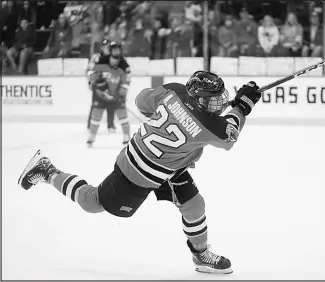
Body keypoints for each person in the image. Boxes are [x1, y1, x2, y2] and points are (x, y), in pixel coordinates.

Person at [17, 71, 262, 274]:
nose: (219, 104)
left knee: (194, 205)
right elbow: (230, 133)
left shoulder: (175, 90)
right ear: (197, 98)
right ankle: (47, 170)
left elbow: (142, 101)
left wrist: (174, 115)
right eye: (213, 100)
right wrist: (242, 104)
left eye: (220, 98)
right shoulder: (209, 125)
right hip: (137, 171)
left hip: (167, 166)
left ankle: (201, 255)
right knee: (92, 202)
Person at [86, 41, 131, 146]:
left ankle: (126, 136)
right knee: (96, 114)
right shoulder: (102, 60)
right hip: (101, 94)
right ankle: (92, 136)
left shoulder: (124, 64)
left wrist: (122, 90)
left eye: (118, 49)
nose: (116, 51)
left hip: (116, 95)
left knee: (122, 115)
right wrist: (94, 81)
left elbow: (127, 80)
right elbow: (92, 73)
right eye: (114, 49)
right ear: (110, 51)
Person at [85, 39, 116, 132]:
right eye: (105, 46)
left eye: (108, 47)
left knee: (111, 104)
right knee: (95, 105)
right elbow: (89, 70)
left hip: (109, 85)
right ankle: (91, 125)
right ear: (102, 47)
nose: (107, 48)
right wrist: (92, 81)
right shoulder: (96, 57)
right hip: (98, 85)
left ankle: (110, 125)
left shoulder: (113, 58)